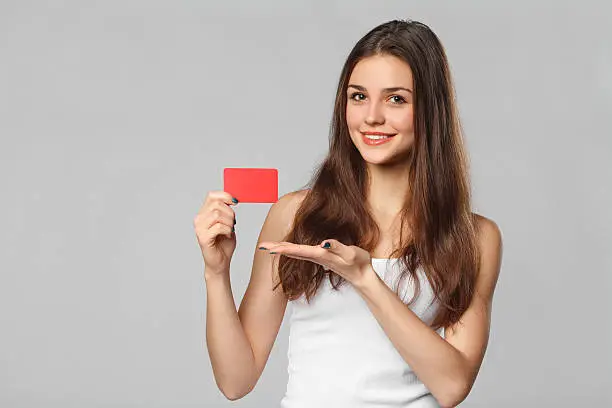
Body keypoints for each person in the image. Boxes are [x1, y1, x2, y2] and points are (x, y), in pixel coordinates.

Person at [194, 19, 503, 408]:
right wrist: (216, 273)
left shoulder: (474, 237)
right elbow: (235, 381)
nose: (372, 116)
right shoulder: (294, 214)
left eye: (396, 99)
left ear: (430, 111)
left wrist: (365, 279)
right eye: (358, 97)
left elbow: (453, 385)